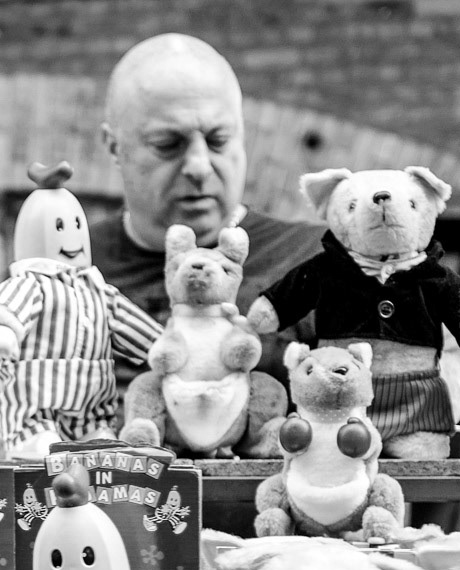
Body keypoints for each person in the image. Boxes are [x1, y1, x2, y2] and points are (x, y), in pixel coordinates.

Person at [91, 33, 323, 380]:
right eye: (167, 144)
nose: (199, 166)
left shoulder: (316, 259)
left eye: (218, 139)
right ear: (114, 146)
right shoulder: (68, 268)